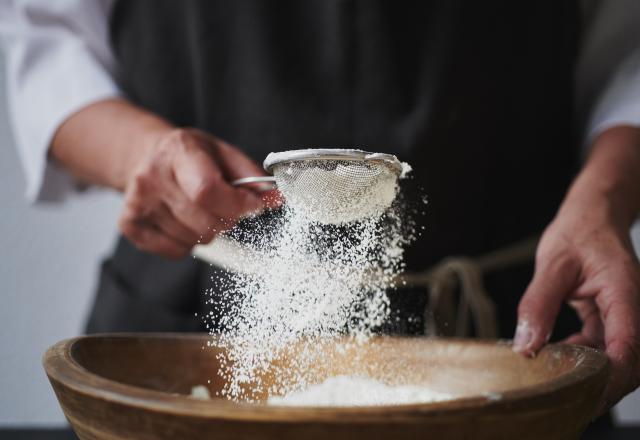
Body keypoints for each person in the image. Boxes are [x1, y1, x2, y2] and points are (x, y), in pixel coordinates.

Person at [1, 0, 639, 415]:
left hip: (507, 334)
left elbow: (628, 45)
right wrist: (139, 152)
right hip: (191, 330)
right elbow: (47, 36)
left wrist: (605, 199)